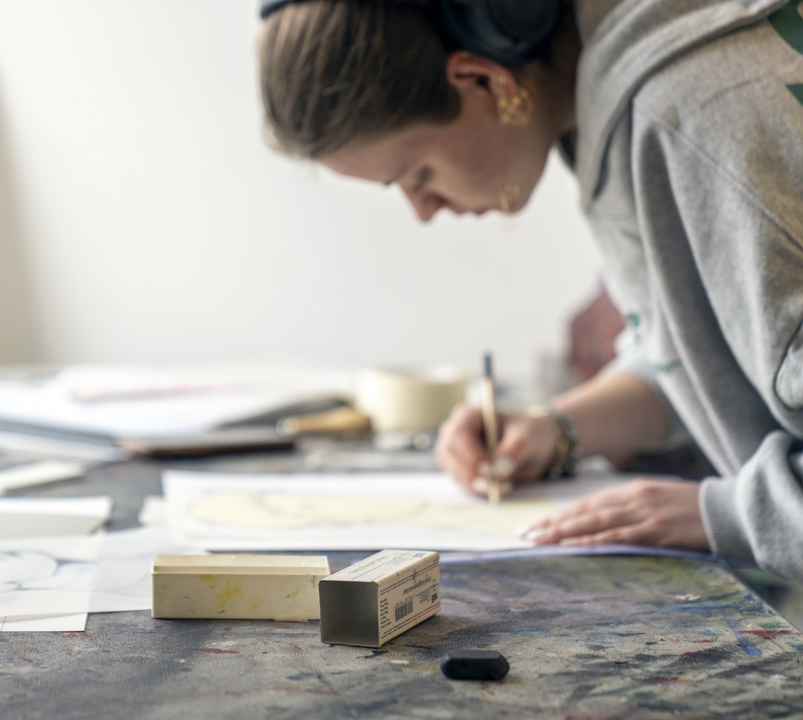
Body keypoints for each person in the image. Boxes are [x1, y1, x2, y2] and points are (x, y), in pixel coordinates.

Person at [257, 0, 803, 580]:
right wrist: (556, 430)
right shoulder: (622, 90)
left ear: (482, 79)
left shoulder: (684, 114)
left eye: (418, 176)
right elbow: (715, 359)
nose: (423, 211)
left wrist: (732, 515)